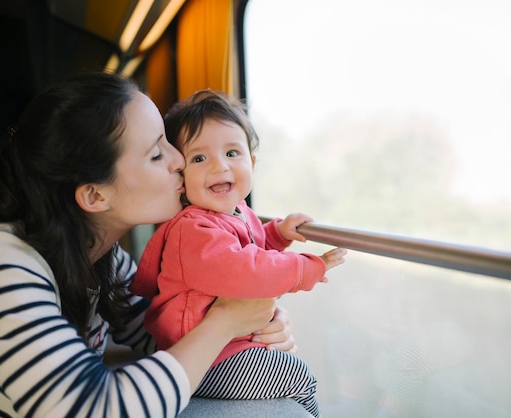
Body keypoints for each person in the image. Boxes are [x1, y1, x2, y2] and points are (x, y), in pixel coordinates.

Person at [0, 72, 298, 417]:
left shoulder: (101, 256)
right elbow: (91, 409)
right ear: (94, 195)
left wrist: (250, 328)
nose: (178, 161)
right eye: (157, 154)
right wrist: (223, 323)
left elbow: (163, 332)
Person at [130, 89, 348, 417]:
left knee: (291, 371)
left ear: (252, 162)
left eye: (232, 153)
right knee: (296, 376)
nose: (219, 167)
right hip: (201, 358)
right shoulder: (193, 229)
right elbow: (242, 270)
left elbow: (250, 248)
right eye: (199, 158)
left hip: (227, 347)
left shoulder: (238, 212)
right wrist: (303, 270)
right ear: (180, 175)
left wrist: (278, 233)